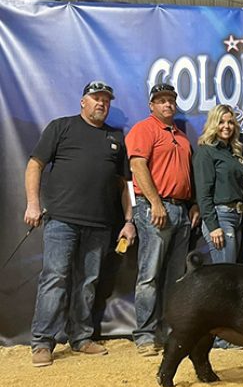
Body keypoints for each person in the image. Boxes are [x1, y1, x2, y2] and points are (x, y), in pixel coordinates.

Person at [25, 81, 136, 367]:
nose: (101, 103)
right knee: (55, 277)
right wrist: (33, 204)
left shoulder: (115, 137)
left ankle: (81, 337)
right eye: (96, 98)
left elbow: (124, 184)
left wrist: (128, 220)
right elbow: (35, 164)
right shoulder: (61, 127)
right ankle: (42, 342)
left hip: (100, 224)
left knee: (88, 282)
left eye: (106, 100)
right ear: (82, 102)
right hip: (61, 219)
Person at [125, 83, 200, 357]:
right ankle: (145, 334)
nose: (167, 104)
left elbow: (185, 175)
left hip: (180, 209)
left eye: (171, 100)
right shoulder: (144, 129)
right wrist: (155, 202)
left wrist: (192, 204)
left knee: (176, 277)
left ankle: (171, 331)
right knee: (149, 274)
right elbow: (137, 166)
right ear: (151, 105)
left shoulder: (181, 136)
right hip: (156, 208)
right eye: (161, 100)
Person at [193, 104, 243, 264]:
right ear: (213, 124)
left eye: (230, 122)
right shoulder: (206, 152)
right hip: (220, 217)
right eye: (221, 122)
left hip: (238, 217)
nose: (226, 126)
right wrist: (213, 226)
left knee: (230, 274)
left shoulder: (233, 152)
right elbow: (203, 193)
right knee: (224, 276)